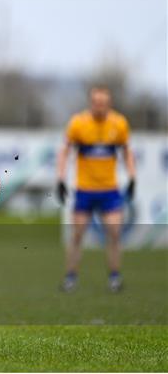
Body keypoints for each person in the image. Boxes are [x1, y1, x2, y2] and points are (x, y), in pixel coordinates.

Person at [56, 86, 136, 293]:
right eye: (96, 103)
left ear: (108, 104)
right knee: (77, 236)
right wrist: (61, 178)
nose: (99, 106)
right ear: (91, 103)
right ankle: (71, 278)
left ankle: (115, 277)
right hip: (85, 190)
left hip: (110, 190)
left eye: (103, 103)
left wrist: (132, 176)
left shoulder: (119, 124)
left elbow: (127, 151)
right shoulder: (78, 124)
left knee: (115, 234)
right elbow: (64, 151)